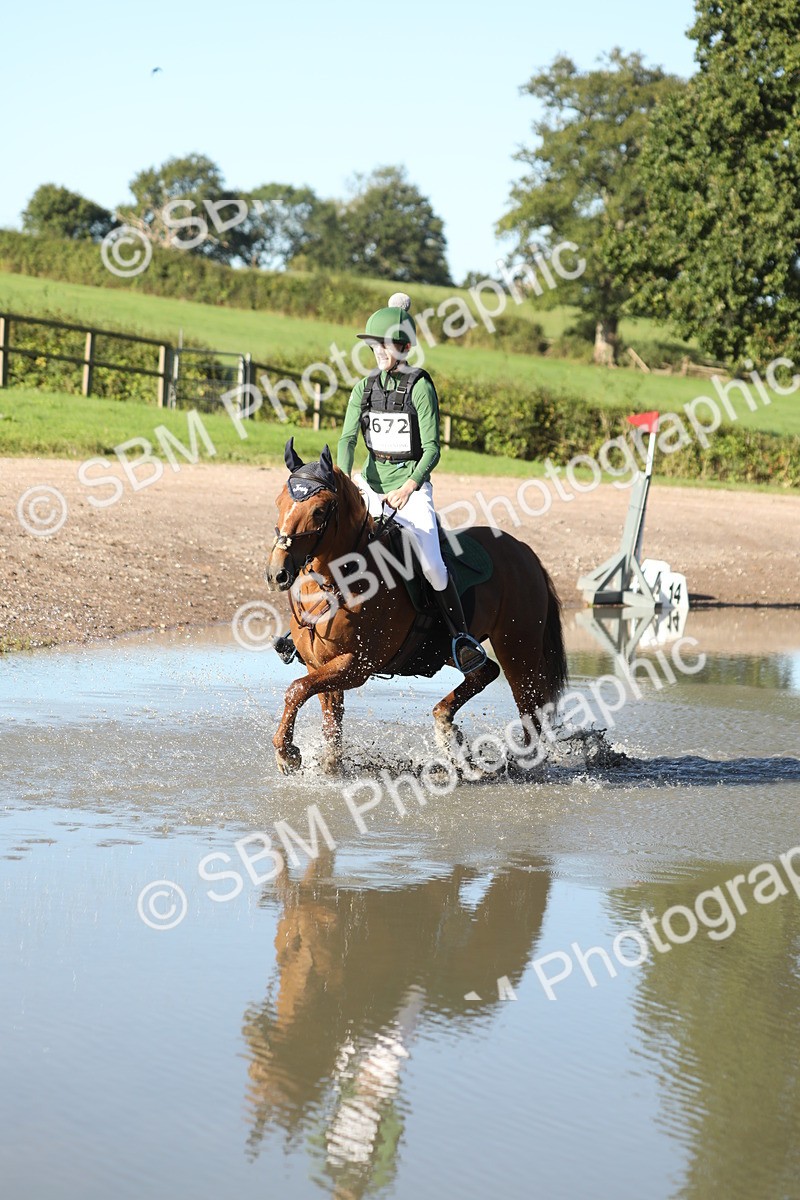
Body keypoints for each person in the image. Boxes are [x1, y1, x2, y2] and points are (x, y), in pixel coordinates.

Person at [274, 293, 486, 675]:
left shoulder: (420, 386)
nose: (379, 354)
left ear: (404, 347)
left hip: (410, 490)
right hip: (369, 485)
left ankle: (461, 639)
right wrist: (341, 482)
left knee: (434, 566)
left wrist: (410, 486)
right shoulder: (363, 388)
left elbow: (433, 449)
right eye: (374, 347)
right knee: (329, 541)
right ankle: (302, 625)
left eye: (385, 346)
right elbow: (347, 440)